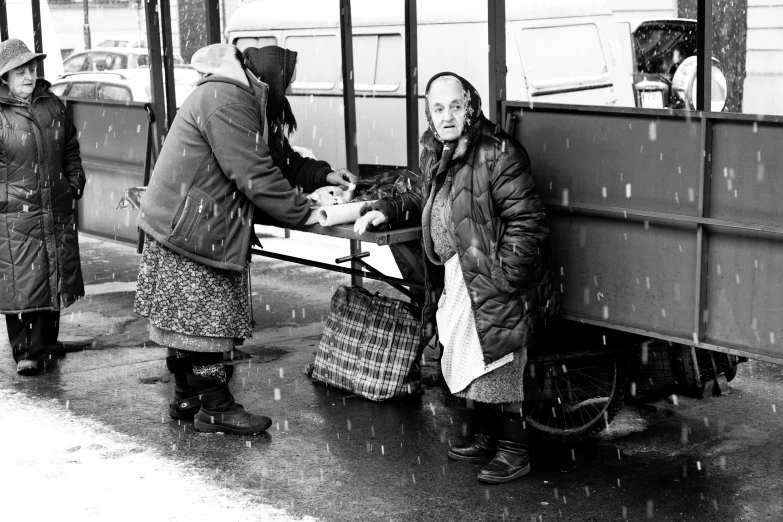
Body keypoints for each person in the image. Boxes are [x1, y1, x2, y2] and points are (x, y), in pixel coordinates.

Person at [134, 43, 356, 436]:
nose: (289, 87)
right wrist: (305, 211)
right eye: (288, 79)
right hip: (191, 229)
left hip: (191, 224)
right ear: (273, 77)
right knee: (202, 328)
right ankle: (216, 407)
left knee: (186, 324)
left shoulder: (241, 94)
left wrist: (322, 176)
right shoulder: (227, 99)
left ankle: (187, 396)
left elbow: (278, 158)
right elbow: (254, 172)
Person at [354, 72, 560, 484]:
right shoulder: (438, 149)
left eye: (454, 106)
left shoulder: (497, 152)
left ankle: (514, 451)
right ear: (429, 114)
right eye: (437, 108)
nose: (446, 115)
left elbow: (528, 221)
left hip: (491, 277)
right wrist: (388, 210)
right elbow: (425, 196)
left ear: (469, 106)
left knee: (498, 362)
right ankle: (487, 438)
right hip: (458, 275)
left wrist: (502, 276)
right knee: (470, 359)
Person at [0, 39, 86, 376]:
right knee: (21, 280)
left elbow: (70, 147)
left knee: (53, 273)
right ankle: (26, 351)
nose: (28, 75)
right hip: (14, 214)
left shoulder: (52, 105)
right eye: (19, 71)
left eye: (31, 68)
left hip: (54, 206)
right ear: (5, 77)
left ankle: (48, 341)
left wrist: (74, 181)